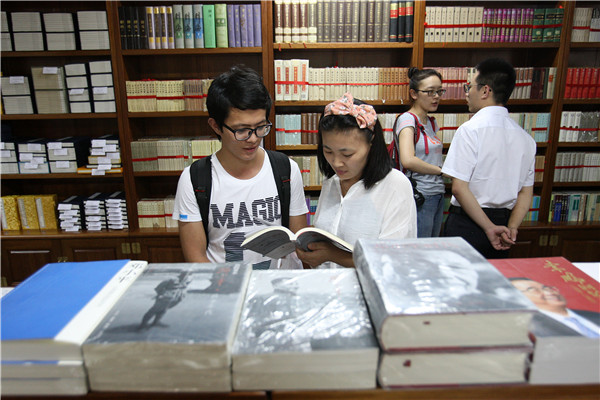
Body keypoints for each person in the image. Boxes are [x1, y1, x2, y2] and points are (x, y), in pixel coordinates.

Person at [172, 65, 308, 270]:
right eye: (241, 130)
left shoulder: (286, 170)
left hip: (279, 289)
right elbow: (196, 260)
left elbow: (298, 247)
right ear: (215, 126)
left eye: (261, 127)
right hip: (225, 291)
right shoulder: (195, 178)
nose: (253, 139)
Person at [296, 92, 417, 269]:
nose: (336, 162)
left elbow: (394, 258)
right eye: (328, 151)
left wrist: (333, 255)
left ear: (371, 143)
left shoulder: (394, 185)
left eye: (347, 154)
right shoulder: (332, 183)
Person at [441, 58, 536, 258]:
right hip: (504, 226)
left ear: (485, 91)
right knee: (493, 286)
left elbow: (459, 187)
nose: (467, 93)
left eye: (469, 86)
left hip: (468, 224)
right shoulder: (526, 139)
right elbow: (526, 193)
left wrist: (489, 228)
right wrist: (511, 227)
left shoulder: (470, 130)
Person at [394, 68, 445, 237]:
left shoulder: (430, 122)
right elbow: (408, 160)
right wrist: (442, 171)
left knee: (432, 248)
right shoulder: (407, 120)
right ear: (414, 94)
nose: (436, 96)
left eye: (439, 91)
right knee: (420, 249)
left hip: (437, 192)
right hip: (420, 195)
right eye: (430, 92)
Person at [509, 277, 600, 338]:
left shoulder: (595, 315)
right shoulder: (530, 326)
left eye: (546, 288)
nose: (549, 292)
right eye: (532, 289)